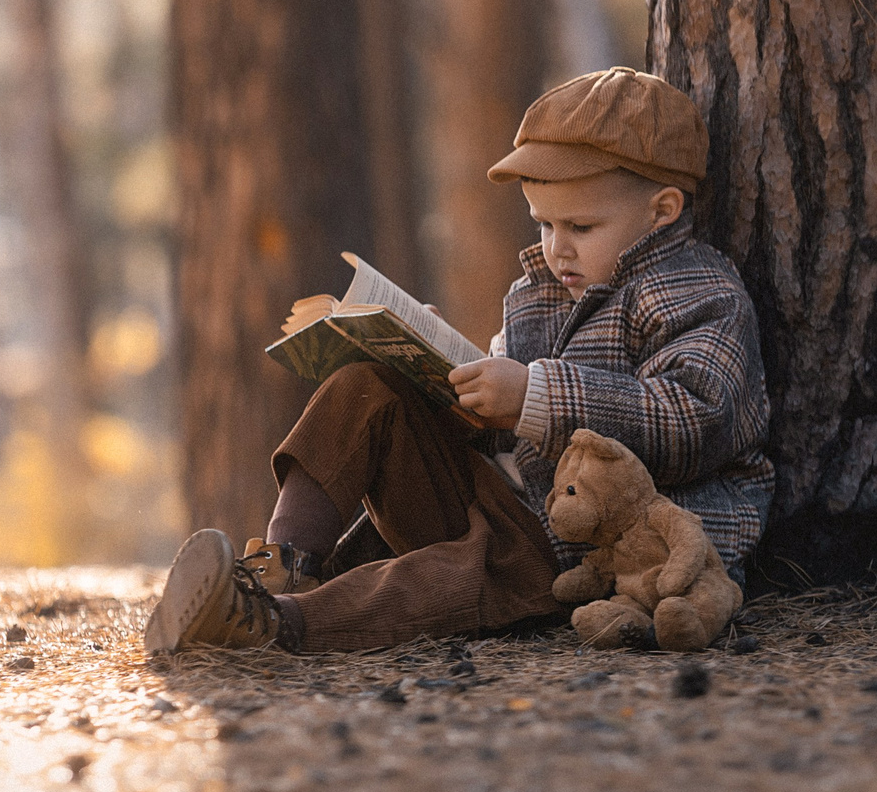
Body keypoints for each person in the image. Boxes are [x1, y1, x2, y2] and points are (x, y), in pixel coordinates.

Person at [142, 67, 773, 654]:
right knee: (367, 386)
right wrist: (443, 369)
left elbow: (692, 421)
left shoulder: (699, 295)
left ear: (662, 211)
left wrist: (531, 396)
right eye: (543, 225)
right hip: (504, 499)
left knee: (447, 575)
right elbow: (504, 421)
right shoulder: (541, 291)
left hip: (583, 556)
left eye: (580, 227)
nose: (557, 249)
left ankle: (275, 626)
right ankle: (279, 567)